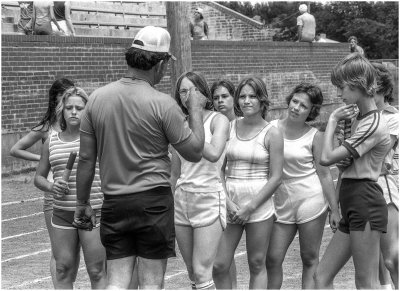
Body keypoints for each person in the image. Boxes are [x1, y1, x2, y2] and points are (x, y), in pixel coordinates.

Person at [74, 26, 206, 289]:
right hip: (153, 200)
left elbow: (86, 159)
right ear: (160, 64)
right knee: (151, 284)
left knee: (117, 281)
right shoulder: (163, 103)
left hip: (114, 201)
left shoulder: (97, 99)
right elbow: (195, 151)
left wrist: (81, 203)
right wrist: (195, 110)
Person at [314, 53, 391, 289]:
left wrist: (333, 120)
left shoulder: (373, 123)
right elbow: (343, 169)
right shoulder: (359, 118)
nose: (340, 94)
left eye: (342, 88)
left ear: (358, 84)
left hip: (365, 200)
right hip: (351, 199)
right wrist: (335, 207)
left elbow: (326, 158)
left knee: (366, 282)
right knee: (321, 277)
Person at [266, 82, 339, 289]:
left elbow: (324, 174)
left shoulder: (315, 136)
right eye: (295, 101)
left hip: (310, 199)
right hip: (281, 201)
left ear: (311, 111)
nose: (296, 107)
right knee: (272, 258)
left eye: (303, 106)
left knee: (309, 258)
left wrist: (335, 210)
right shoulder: (271, 128)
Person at [213, 76, 283, 289]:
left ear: (262, 100)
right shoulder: (230, 127)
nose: (246, 101)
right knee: (219, 264)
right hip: (231, 205)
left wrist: (250, 207)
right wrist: (228, 203)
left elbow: (276, 177)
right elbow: (219, 170)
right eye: (242, 96)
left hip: (258, 206)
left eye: (252, 96)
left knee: (256, 263)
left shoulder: (273, 132)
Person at [34, 87, 107, 289]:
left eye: (79, 107)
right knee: (62, 268)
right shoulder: (51, 141)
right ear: (62, 111)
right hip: (62, 212)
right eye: (69, 108)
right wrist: (51, 185)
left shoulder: (97, 138)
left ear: (87, 110)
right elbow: (38, 177)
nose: (74, 112)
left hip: (93, 211)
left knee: (96, 270)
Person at [9, 78, 79, 287]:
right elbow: (15, 149)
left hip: (79, 192)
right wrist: (41, 160)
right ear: (56, 98)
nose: (69, 101)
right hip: (53, 193)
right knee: (59, 253)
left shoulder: (79, 123)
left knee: (74, 252)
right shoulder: (47, 127)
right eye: (64, 95)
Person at [171, 71, 230, 290]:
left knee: (202, 270)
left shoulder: (218, 120)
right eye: (183, 92)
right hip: (182, 199)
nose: (188, 96)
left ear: (203, 93)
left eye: (193, 90)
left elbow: (214, 153)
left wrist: (188, 131)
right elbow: (174, 173)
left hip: (207, 197)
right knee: (192, 272)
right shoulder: (179, 123)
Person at [211, 79, 240, 289]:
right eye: (215, 98)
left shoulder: (244, 124)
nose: (220, 101)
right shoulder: (214, 126)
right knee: (222, 259)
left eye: (224, 96)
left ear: (233, 97)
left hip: (246, 195)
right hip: (220, 196)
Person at [372, 62, 398, 289]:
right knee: (375, 254)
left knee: (392, 257)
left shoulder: (393, 117)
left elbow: (378, 155)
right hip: (368, 185)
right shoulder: (361, 116)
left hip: (388, 187)